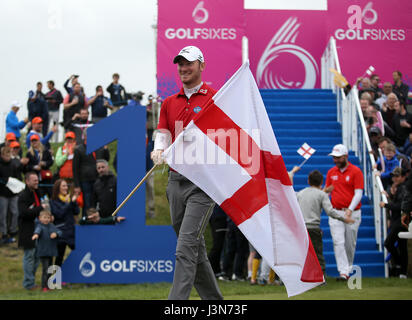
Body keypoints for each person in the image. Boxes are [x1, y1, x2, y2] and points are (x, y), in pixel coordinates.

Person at [151, 45, 223, 300]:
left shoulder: (215, 99)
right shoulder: (170, 102)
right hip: (175, 182)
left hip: (202, 183)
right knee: (194, 247)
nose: (184, 68)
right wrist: (158, 149)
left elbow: (224, 138)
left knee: (184, 247)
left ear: (201, 66)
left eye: (189, 63)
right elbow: (163, 132)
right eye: (180, 63)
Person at [297, 170, 355, 275]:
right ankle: (320, 276)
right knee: (317, 253)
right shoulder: (321, 194)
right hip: (314, 228)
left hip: (301, 228)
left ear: (308, 181)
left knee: (302, 253)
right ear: (321, 182)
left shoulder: (300, 194)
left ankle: (302, 276)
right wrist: (344, 219)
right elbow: (330, 211)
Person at [325, 144, 364, 280]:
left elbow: (358, 193)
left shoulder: (356, 171)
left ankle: (348, 268)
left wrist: (350, 209)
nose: (335, 160)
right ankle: (343, 272)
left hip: (353, 213)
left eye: (338, 158)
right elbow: (328, 191)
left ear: (345, 156)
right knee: (338, 242)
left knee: (349, 243)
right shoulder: (331, 172)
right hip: (336, 212)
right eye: (334, 158)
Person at [18, 172, 46, 290]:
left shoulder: (38, 192)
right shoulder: (23, 196)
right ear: (27, 181)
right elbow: (24, 213)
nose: (36, 182)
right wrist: (39, 208)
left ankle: (31, 282)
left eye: (37, 180)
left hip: (39, 228)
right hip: (27, 230)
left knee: (37, 257)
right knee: (29, 256)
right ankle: (28, 284)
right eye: (34, 180)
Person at [380, 167, 408, 278]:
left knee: (389, 243)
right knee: (401, 246)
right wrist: (390, 196)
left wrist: (386, 205)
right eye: (393, 176)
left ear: (403, 177)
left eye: (397, 176)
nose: (394, 178)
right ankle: (402, 271)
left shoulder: (404, 188)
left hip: (401, 220)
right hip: (399, 219)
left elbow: (400, 206)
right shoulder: (400, 187)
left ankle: (399, 266)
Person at [73, 133, 110, 216]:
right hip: (85, 181)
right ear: (85, 137)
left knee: (98, 201)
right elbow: (75, 168)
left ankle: (97, 219)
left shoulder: (99, 148)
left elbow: (106, 159)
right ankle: (86, 219)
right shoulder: (79, 149)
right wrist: (77, 185)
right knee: (87, 202)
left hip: (98, 179)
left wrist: (106, 149)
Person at [50, 179, 80, 267]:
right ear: (58, 188)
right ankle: (56, 278)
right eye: (63, 186)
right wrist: (68, 203)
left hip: (71, 231)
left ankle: (76, 275)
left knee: (78, 252)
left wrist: (73, 202)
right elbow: (59, 214)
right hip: (61, 232)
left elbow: (76, 212)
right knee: (59, 257)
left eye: (66, 185)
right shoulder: (53, 201)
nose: (66, 188)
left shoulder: (69, 199)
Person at [32, 210, 62, 291]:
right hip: (43, 252)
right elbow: (37, 231)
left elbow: (59, 231)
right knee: (45, 269)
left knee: (50, 269)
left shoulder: (52, 226)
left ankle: (49, 286)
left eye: (48, 218)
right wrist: (35, 235)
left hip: (51, 251)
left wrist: (56, 234)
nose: (46, 219)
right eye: (44, 218)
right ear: (40, 218)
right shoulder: (40, 226)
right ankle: (44, 286)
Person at [0, 146, 20, 244]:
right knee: (3, 215)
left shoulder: (13, 165)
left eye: (9, 155)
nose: (7, 157)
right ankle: (3, 233)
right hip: (2, 193)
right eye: (6, 155)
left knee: (15, 212)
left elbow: (18, 177)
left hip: (13, 193)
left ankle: (12, 230)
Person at [208, 205, 227, 277]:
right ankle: (208, 270)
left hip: (219, 216)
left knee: (220, 246)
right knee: (217, 246)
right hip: (218, 217)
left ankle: (216, 270)